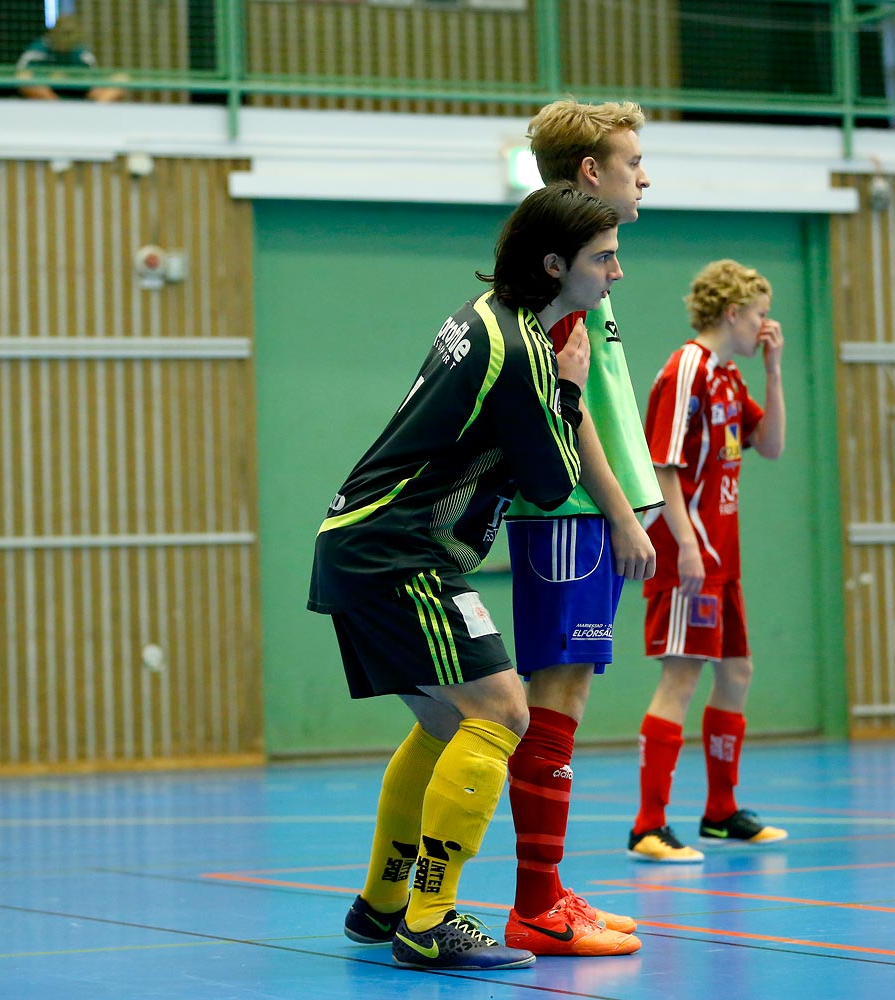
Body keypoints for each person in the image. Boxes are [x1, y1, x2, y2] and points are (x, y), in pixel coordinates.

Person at [309, 182, 630, 971]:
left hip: (367, 540)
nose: (617, 273)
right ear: (556, 265)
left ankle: (382, 903)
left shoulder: (483, 315)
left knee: (446, 722)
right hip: (397, 547)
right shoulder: (524, 355)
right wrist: (571, 388)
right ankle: (430, 919)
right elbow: (553, 482)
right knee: (502, 709)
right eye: (604, 258)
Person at [498, 99, 657, 958]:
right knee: (553, 705)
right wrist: (621, 513)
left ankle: (550, 888)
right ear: (590, 171)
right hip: (569, 514)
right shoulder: (568, 269)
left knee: (569, 699)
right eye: (632, 158)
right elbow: (572, 414)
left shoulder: (594, 260)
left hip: (587, 517)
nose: (646, 173)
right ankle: (533, 904)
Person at [625, 259, 788, 862]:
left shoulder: (727, 376)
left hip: (723, 554)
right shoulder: (688, 367)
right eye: (761, 316)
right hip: (686, 552)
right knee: (681, 677)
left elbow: (769, 445)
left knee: (737, 672)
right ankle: (648, 825)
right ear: (733, 313)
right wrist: (687, 543)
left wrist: (773, 371)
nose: (766, 327)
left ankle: (721, 812)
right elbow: (661, 462)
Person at [15, 15, 127, 103]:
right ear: (53, 32)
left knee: (121, 79)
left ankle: (94, 112)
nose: (67, 37)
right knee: (27, 80)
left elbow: (93, 88)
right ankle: (61, 111)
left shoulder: (83, 55)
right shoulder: (37, 51)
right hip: (47, 102)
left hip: (78, 100)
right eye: (64, 33)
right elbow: (22, 78)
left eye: (71, 33)